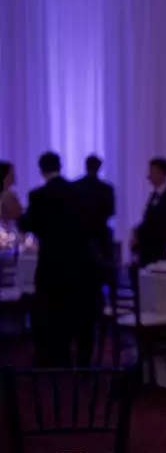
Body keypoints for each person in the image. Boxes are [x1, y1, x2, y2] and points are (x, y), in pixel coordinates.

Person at [18, 151, 104, 366]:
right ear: (60, 166)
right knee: (81, 310)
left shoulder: (38, 196)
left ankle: (55, 354)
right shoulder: (81, 191)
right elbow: (93, 223)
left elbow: (31, 226)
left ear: (41, 169)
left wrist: (18, 217)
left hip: (53, 262)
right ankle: (84, 358)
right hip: (82, 260)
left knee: (52, 309)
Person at [131, 158, 166, 267]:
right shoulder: (154, 195)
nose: (149, 176)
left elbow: (165, 222)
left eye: (152, 172)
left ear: (161, 173)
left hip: (159, 248)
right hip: (147, 249)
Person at [75, 154, 117, 269]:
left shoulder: (76, 187)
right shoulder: (106, 189)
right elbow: (111, 211)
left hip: (79, 234)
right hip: (101, 233)